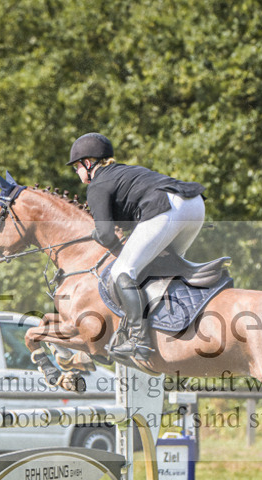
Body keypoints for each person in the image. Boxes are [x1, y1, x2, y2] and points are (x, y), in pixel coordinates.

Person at [67, 132, 206, 363]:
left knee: (122, 271)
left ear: (88, 163)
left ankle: (138, 340)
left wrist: (96, 235)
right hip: (194, 203)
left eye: (76, 167)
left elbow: (104, 234)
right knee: (163, 267)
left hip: (167, 207)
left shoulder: (97, 185)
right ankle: (174, 324)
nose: (77, 173)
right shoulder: (125, 172)